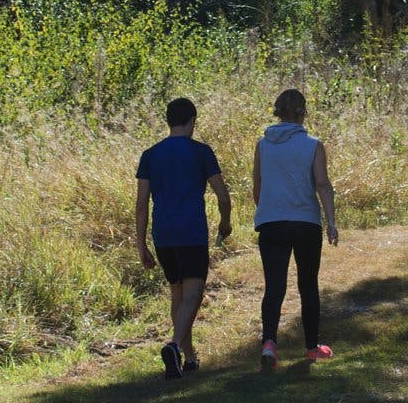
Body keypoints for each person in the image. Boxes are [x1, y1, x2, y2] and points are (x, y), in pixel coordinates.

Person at [134, 96, 232, 379]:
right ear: (192, 121)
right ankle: (175, 346)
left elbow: (142, 204)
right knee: (193, 292)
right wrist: (225, 223)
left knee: (177, 291)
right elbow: (222, 196)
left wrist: (141, 245)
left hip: (163, 233)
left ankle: (188, 358)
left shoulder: (150, 155)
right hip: (191, 231)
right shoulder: (201, 152)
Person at [252, 86, 339, 369]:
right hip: (305, 222)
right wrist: (331, 222)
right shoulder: (313, 144)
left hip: (272, 222)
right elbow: (322, 185)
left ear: (277, 112)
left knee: (274, 286)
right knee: (307, 285)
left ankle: (269, 344)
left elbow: (258, 186)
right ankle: (312, 348)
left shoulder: (263, 145)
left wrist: (266, 210)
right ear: (304, 113)